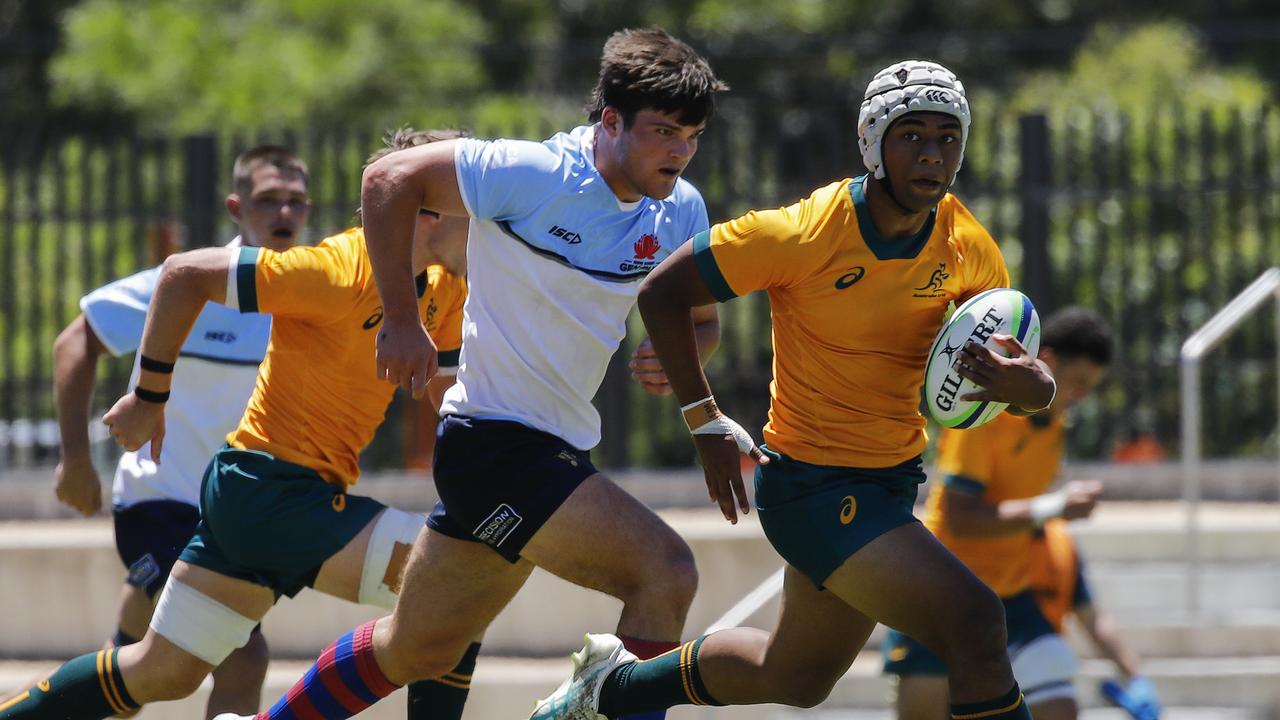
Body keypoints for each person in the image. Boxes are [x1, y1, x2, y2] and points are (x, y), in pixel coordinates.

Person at [531, 59, 1058, 720]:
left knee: (795, 676)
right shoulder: (805, 233)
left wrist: (1032, 387)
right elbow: (664, 292)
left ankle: (607, 687)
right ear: (872, 141)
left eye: (947, 138)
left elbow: (1010, 387)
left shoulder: (966, 245)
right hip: (812, 489)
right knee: (975, 622)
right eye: (912, 135)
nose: (932, 154)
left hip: (889, 483)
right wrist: (705, 422)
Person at [229, 27, 728, 720]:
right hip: (497, 448)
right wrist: (402, 320)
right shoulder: (535, 174)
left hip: (544, 451)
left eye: (692, 135)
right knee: (666, 573)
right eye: (663, 130)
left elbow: (699, 316)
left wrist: (685, 354)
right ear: (610, 121)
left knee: (416, 647)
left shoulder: (681, 208)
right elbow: (387, 178)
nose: (678, 149)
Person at [0, 129, 472, 720]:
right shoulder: (335, 270)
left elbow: (447, 396)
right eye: (471, 200)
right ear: (423, 211)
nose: (485, 216)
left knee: (160, 670)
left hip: (254, 496)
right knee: (454, 587)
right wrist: (149, 397)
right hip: (264, 493)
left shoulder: (447, 288)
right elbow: (181, 274)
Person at [23, 145, 311, 720]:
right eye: (267, 199)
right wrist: (75, 462)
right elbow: (74, 343)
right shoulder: (192, 283)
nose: (283, 212)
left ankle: (101, 659)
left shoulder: (314, 293)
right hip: (159, 501)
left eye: (295, 201)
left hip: (240, 514)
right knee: (242, 657)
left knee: (142, 664)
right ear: (236, 207)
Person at [882, 306, 1117, 720]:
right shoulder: (981, 411)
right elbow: (961, 518)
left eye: (1089, 388)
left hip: (1009, 599)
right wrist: (1054, 507)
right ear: (1047, 361)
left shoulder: (1054, 429)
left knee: (1060, 708)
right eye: (1077, 383)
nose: (1080, 396)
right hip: (944, 592)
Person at [1029, 519, 1162, 720]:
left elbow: (1090, 615)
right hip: (993, 658)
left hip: (1043, 662)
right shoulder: (981, 532)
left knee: (1060, 707)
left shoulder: (1060, 538)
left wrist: (1134, 677)